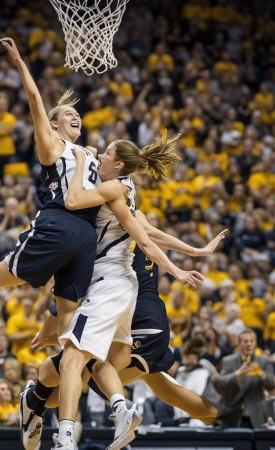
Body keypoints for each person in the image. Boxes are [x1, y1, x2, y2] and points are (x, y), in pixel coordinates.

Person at [48, 136, 206, 449]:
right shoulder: (127, 188)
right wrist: (194, 251)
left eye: (107, 152)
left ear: (119, 164)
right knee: (103, 365)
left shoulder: (115, 188)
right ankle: (122, 408)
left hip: (108, 283)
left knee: (72, 359)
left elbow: (73, 199)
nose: (102, 154)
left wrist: (82, 159)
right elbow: (149, 235)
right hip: (124, 288)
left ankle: (65, 438)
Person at [20, 226, 223, 450]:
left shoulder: (95, 242)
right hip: (142, 319)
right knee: (164, 388)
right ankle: (219, 415)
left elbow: (64, 301)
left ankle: (46, 405)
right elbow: (152, 236)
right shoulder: (129, 225)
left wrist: (195, 254)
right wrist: (196, 252)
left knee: (81, 370)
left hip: (136, 317)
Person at [0, 37, 102, 343]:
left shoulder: (90, 151)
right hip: (61, 221)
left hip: (86, 232)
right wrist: (20, 63)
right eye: (67, 114)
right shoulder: (52, 144)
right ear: (52, 124)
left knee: (67, 307)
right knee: (3, 276)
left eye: (77, 114)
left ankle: (68, 361)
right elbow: (35, 102)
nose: (75, 116)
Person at [213, 329, 275, 427]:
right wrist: (237, 374)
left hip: (255, 414)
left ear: (256, 344)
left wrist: (261, 374)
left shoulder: (264, 361)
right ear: (239, 344)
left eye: (251, 341)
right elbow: (220, 384)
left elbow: (272, 385)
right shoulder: (229, 360)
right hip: (232, 413)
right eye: (245, 341)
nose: (248, 344)